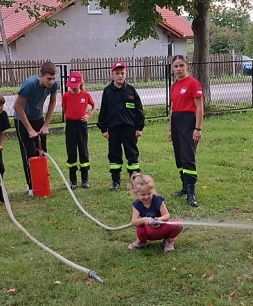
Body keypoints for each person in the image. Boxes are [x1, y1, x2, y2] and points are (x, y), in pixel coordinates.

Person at [97, 61, 145, 190]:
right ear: (112, 74)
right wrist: (103, 129)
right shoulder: (107, 91)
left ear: (126, 74)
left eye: (122, 73)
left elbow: (139, 110)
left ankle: (135, 180)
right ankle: (116, 181)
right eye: (117, 73)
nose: (120, 76)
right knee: (114, 154)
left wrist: (139, 127)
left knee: (132, 153)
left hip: (129, 129)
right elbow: (104, 111)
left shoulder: (131, 90)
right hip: (113, 129)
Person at [14, 61, 60, 195]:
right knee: (29, 153)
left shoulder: (54, 85)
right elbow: (17, 106)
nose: (51, 82)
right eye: (48, 78)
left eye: (53, 78)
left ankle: (42, 182)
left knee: (42, 152)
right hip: (22, 120)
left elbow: (52, 102)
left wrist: (46, 124)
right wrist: (29, 129)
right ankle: (31, 186)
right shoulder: (30, 85)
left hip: (38, 118)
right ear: (41, 76)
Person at [168, 55, 204, 208]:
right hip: (176, 121)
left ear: (186, 65)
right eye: (176, 66)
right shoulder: (174, 85)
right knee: (180, 157)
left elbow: (200, 108)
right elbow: (172, 108)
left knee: (188, 156)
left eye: (181, 66)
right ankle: (184, 187)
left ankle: (191, 193)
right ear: (172, 68)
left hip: (189, 122)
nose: (178, 69)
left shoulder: (193, 84)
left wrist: (197, 128)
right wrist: (170, 129)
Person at [127, 172, 183, 252]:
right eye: (142, 194)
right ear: (136, 193)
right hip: (149, 231)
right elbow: (134, 221)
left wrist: (160, 219)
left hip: (162, 228)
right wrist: (144, 220)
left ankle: (168, 241)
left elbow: (167, 215)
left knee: (178, 224)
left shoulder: (158, 200)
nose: (146, 197)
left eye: (149, 193)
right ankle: (142, 242)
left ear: (152, 190)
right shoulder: (137, 205)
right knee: (140, 229)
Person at [61, 71, 96, 189]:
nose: (74, 89)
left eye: (76, 87)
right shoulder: (65, 96)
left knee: (83, 150)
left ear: (81, 83)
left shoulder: (85, 95)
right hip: (71, 125)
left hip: (81, 124)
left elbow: (94, 105)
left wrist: (89, 115)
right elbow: (65, 109)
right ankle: (73, 180)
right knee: (71, 151)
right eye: (72, 87)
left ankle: (85, 180)